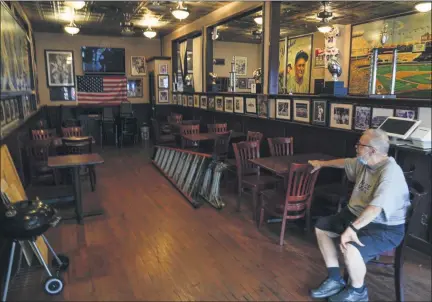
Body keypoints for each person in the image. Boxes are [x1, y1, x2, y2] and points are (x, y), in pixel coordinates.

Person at [308, 129, 410, 302]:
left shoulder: (389, 172)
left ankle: (358, 291)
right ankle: (335, 279)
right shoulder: (365, 162)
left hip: (384, 227)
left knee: (350, 245)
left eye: (359, 145)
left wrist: (352, 229)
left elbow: (375, 208)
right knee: (321, 227)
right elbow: (345, 162)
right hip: (356, 215)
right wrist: (321, 163)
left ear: (372, 150)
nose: (356, 147)